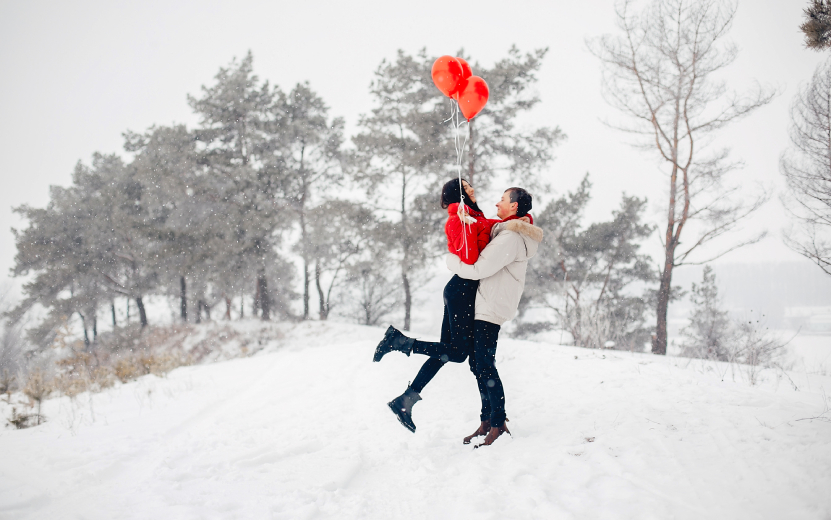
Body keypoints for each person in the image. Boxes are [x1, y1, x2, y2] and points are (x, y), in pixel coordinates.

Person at [372, 179, 530, 433]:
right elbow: (469, 257)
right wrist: (464, 231)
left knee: (446, 352)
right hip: (461, 291)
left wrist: (520, 222)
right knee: (456, 353)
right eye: (467, 189)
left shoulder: (474, 215)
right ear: (460, 195)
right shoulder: (458, 219)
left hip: (463, 290)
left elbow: (495, 227)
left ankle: (405, 400)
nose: (473, 190)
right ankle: (399, 342)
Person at [446, 187, 542, 446]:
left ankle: (498, 424)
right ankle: (487, 421)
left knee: (484, 364)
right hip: (489, 302)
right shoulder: (507, 233)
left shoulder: (509, 238)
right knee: (478, 364)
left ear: (514, 207)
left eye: (502, 199)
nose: (497, 203)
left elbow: (478, 268)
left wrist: (450, 261)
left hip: (492, 305)